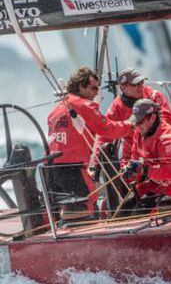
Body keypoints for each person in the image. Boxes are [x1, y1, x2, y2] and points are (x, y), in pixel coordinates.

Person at [47, 67, 134, 219]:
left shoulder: (56, 110)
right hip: (74, 168)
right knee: (88, 202)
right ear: (81, 86)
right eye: (93, 88)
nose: (96, 92)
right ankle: (85, 238)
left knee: (68, 206)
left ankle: (65, 231)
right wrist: (130, 124)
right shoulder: (83, 105)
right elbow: (106, 128)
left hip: (52, 169)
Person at [98, 68, 171, 166]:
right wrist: (95, 163)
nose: (140, 87)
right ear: (123, 88)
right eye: (135, 84)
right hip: (131, 157)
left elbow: (167, 120)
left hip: (158, 150)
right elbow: (105, 133)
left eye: (141, 82)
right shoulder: (117, 106)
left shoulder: (154, 95)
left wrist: (147, 141)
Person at [123, 99, 171, 211]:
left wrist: (145, 170)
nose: (136, 125)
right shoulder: (140, 132)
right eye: (135, 121)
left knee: (139, 213)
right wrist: (130, 166)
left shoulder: (168, 139)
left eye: (139, 121)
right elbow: (135, 156)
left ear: (152, 118)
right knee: (125, 208)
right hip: (155, 185)